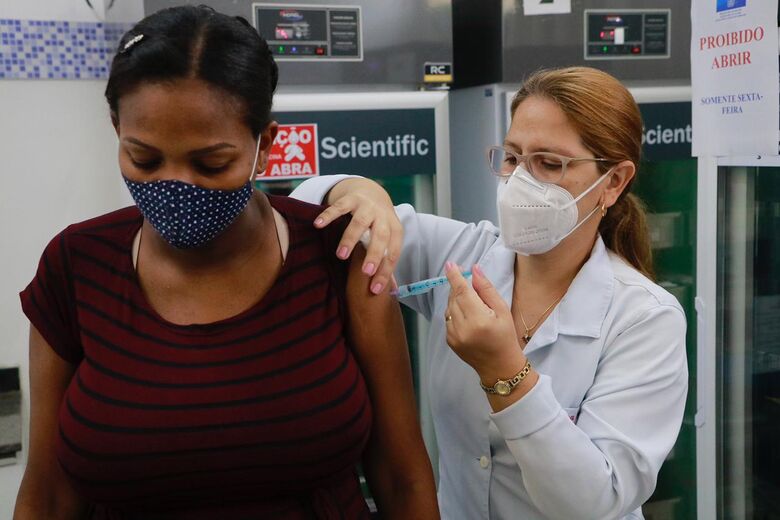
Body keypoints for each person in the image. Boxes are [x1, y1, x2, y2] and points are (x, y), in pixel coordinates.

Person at [14, 6, 438, 519]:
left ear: (265, 147)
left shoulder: (338, 254)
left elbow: (403, 477)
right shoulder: (76, 266)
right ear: (116, 129)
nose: (176, 185)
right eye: (144, 158)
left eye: (211, 163)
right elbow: (47, 492)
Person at [291, 67, 688, 519]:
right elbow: (306, 210)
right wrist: (361, 190)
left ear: (613, 181)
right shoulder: (461, 253)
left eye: (549, 164)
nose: (520, 181)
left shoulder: (645, 317)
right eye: (513, 158)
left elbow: (596, 500)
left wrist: (507, 375)